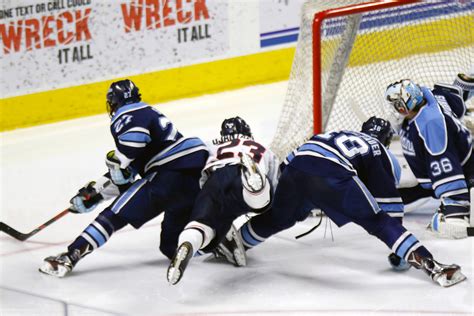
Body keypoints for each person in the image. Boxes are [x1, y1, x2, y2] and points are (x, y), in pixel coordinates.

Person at [235, 117, 466, 287]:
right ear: (386, 140)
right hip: (331, 175)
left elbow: (288, 166)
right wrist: (397, 248)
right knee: (380, 222)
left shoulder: (331, 134)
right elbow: (390, 206)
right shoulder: (380, 150)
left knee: (278, 218)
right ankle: (430, 265)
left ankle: (237, 242)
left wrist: (300, 202)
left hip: (296, 170)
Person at [39, 79, 209, 277]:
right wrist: (96, 193)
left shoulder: (125, 115)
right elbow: (127, 172)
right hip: (192, 176)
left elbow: (127, 159)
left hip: (167, 175)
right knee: (172, 246)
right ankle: (218, 240)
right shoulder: (150, 111)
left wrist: (114, 168)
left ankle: (70, 256)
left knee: (114, 215)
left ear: (113, 102)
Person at [166, 117, 280, 285]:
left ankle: (188, 243)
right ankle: (254, 186)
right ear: (247, 133)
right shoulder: (263, 149)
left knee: (204, 226)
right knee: (263, 202)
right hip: (240, 175)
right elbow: (279, 187)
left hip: (214, 181)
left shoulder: (210, 144)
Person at [385, 70, 474, 239]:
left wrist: (456, 207)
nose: (396, 109)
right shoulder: (434, 96)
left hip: (463, 171)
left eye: (397, 104)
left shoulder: (430, 125)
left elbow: (444, 164)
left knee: (389, 200)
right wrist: (465, 84)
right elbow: (456, 98)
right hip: (458, 156)